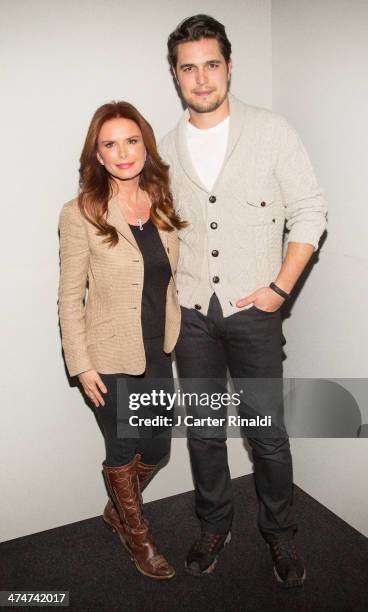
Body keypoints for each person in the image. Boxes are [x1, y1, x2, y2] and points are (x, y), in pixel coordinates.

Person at [159, 15, 328, 586]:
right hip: (192, 314)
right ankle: (214, 524)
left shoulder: (272, 130)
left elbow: (311, 210)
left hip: (255, 312)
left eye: (211, 64)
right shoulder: (163, 147)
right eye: (189, 67)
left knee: (266, 434)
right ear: (176, 76)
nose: (201, 78)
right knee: (204, 431)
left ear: (229, 67)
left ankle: (279, 534)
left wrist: (280, 289)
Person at [58, 101, 186, 580]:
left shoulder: (163, 205)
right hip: (108, 356)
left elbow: (173, 278)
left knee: (157, 446)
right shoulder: (81, 213)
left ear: (145, 146)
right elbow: (70, 295)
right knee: (123, 444)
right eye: (110, 144)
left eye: (131, 140)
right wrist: (81, 363)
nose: (123, 152)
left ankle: (116, 508)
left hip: (158, 348)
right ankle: (138, 536)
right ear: (98, 154)